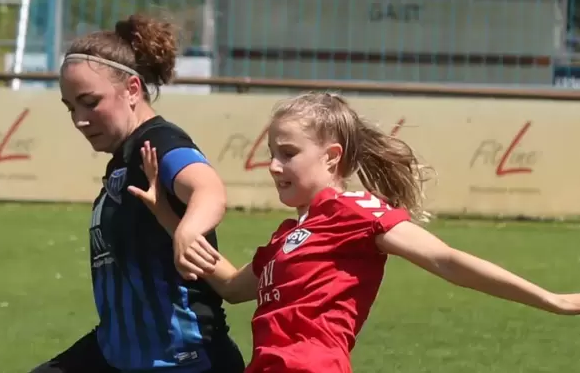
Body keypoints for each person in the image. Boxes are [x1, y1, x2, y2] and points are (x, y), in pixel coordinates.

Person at [129, 91, 580, 373]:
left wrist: (552, 300)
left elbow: (444, 260)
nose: (273, 165)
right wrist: (169, 217)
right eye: (271, 152)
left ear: (331, 156)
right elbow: (230, 286)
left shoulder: (355, 211)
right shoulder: (289, 235)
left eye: (287, 153)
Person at [30, 14, 245, 373]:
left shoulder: (157, 142)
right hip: (117, 354)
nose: (79, 119)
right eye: (71, 107)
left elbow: (207, 188)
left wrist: (190, 231)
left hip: (183, 360)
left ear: (132, 89)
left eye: (90, 101)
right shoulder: (123, 158)